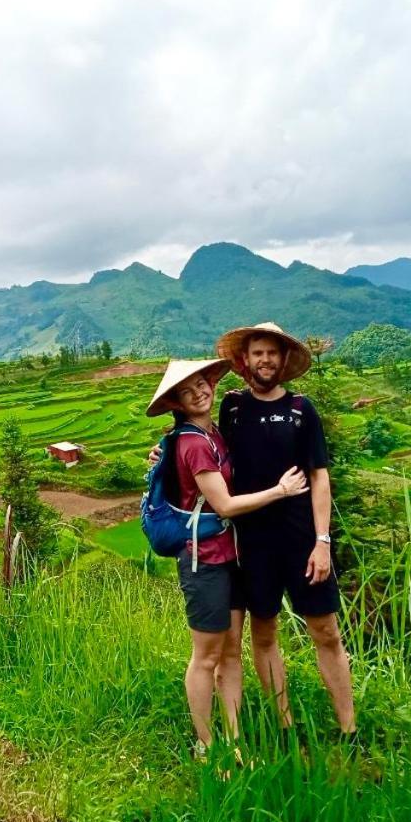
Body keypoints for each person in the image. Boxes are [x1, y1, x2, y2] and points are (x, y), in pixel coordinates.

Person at [145, 358, 308, 758]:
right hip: (205, 562)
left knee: (230, 652)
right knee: (206, 657)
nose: (200, 391)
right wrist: (281, 492)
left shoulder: (212, 432)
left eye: (202, 383)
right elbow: (226, 505)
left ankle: (233, 740)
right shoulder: (194, 443)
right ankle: (206, 744)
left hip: (228, 556)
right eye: (188, 390)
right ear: (177, 403)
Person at [214, 322, 356, 738]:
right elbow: (209, 453)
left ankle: (349, 729)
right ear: (245, 360)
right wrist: (164, 452)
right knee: (264, 632)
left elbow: (320, 478)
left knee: (326, 631)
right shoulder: (233, 407)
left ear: (284, 360)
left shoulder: (301, 410)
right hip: (253, 545)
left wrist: (322, 541)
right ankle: (286, 724)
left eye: (272, 353)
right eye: (258, 352)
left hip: (302, 543)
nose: (265, 360)